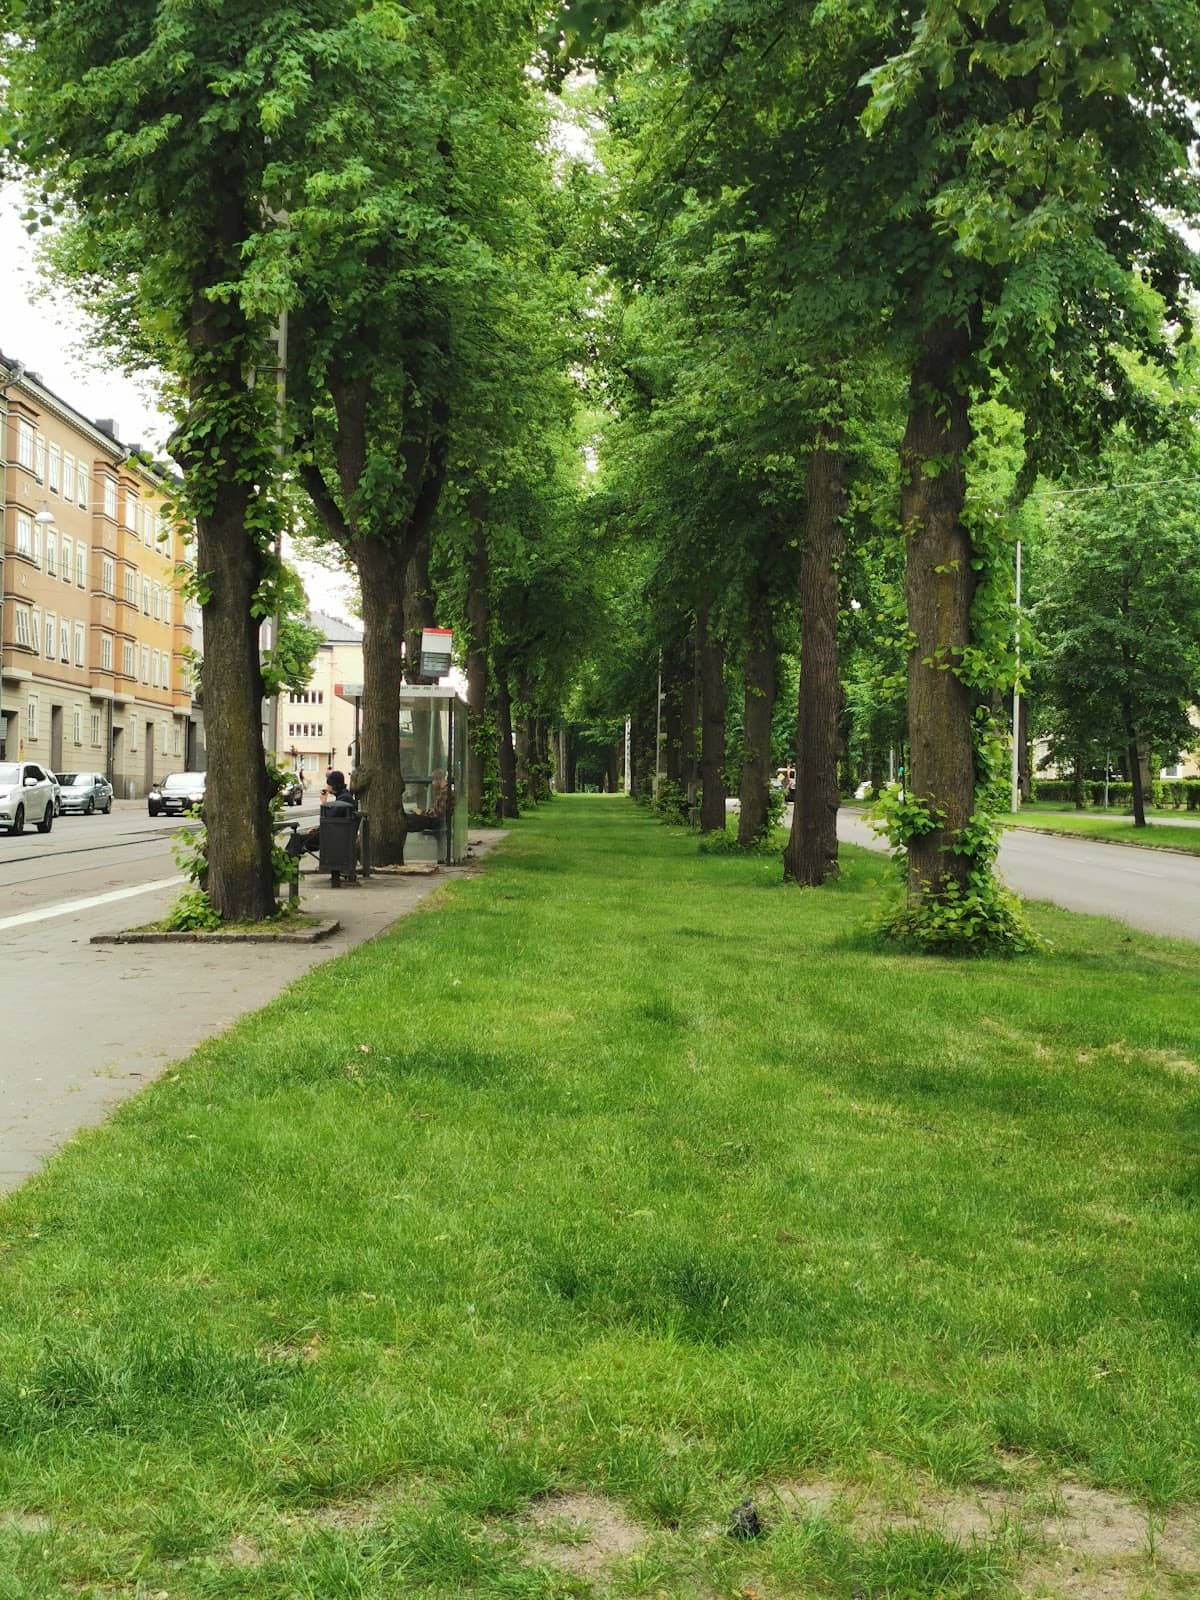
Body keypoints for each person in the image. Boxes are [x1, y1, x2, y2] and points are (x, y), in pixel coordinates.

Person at [286, 768, 356, 857]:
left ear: (333, 786)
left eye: (328, 784)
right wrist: (318, 829)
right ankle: (289, 865)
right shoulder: (344, 796)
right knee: (297, 840)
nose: (326, 787)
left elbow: (328, 818)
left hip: (332, 838)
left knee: (296, 840)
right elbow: (334, 819)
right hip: (335, 835)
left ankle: (287, 866)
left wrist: (324, 803)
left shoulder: (344, 799)